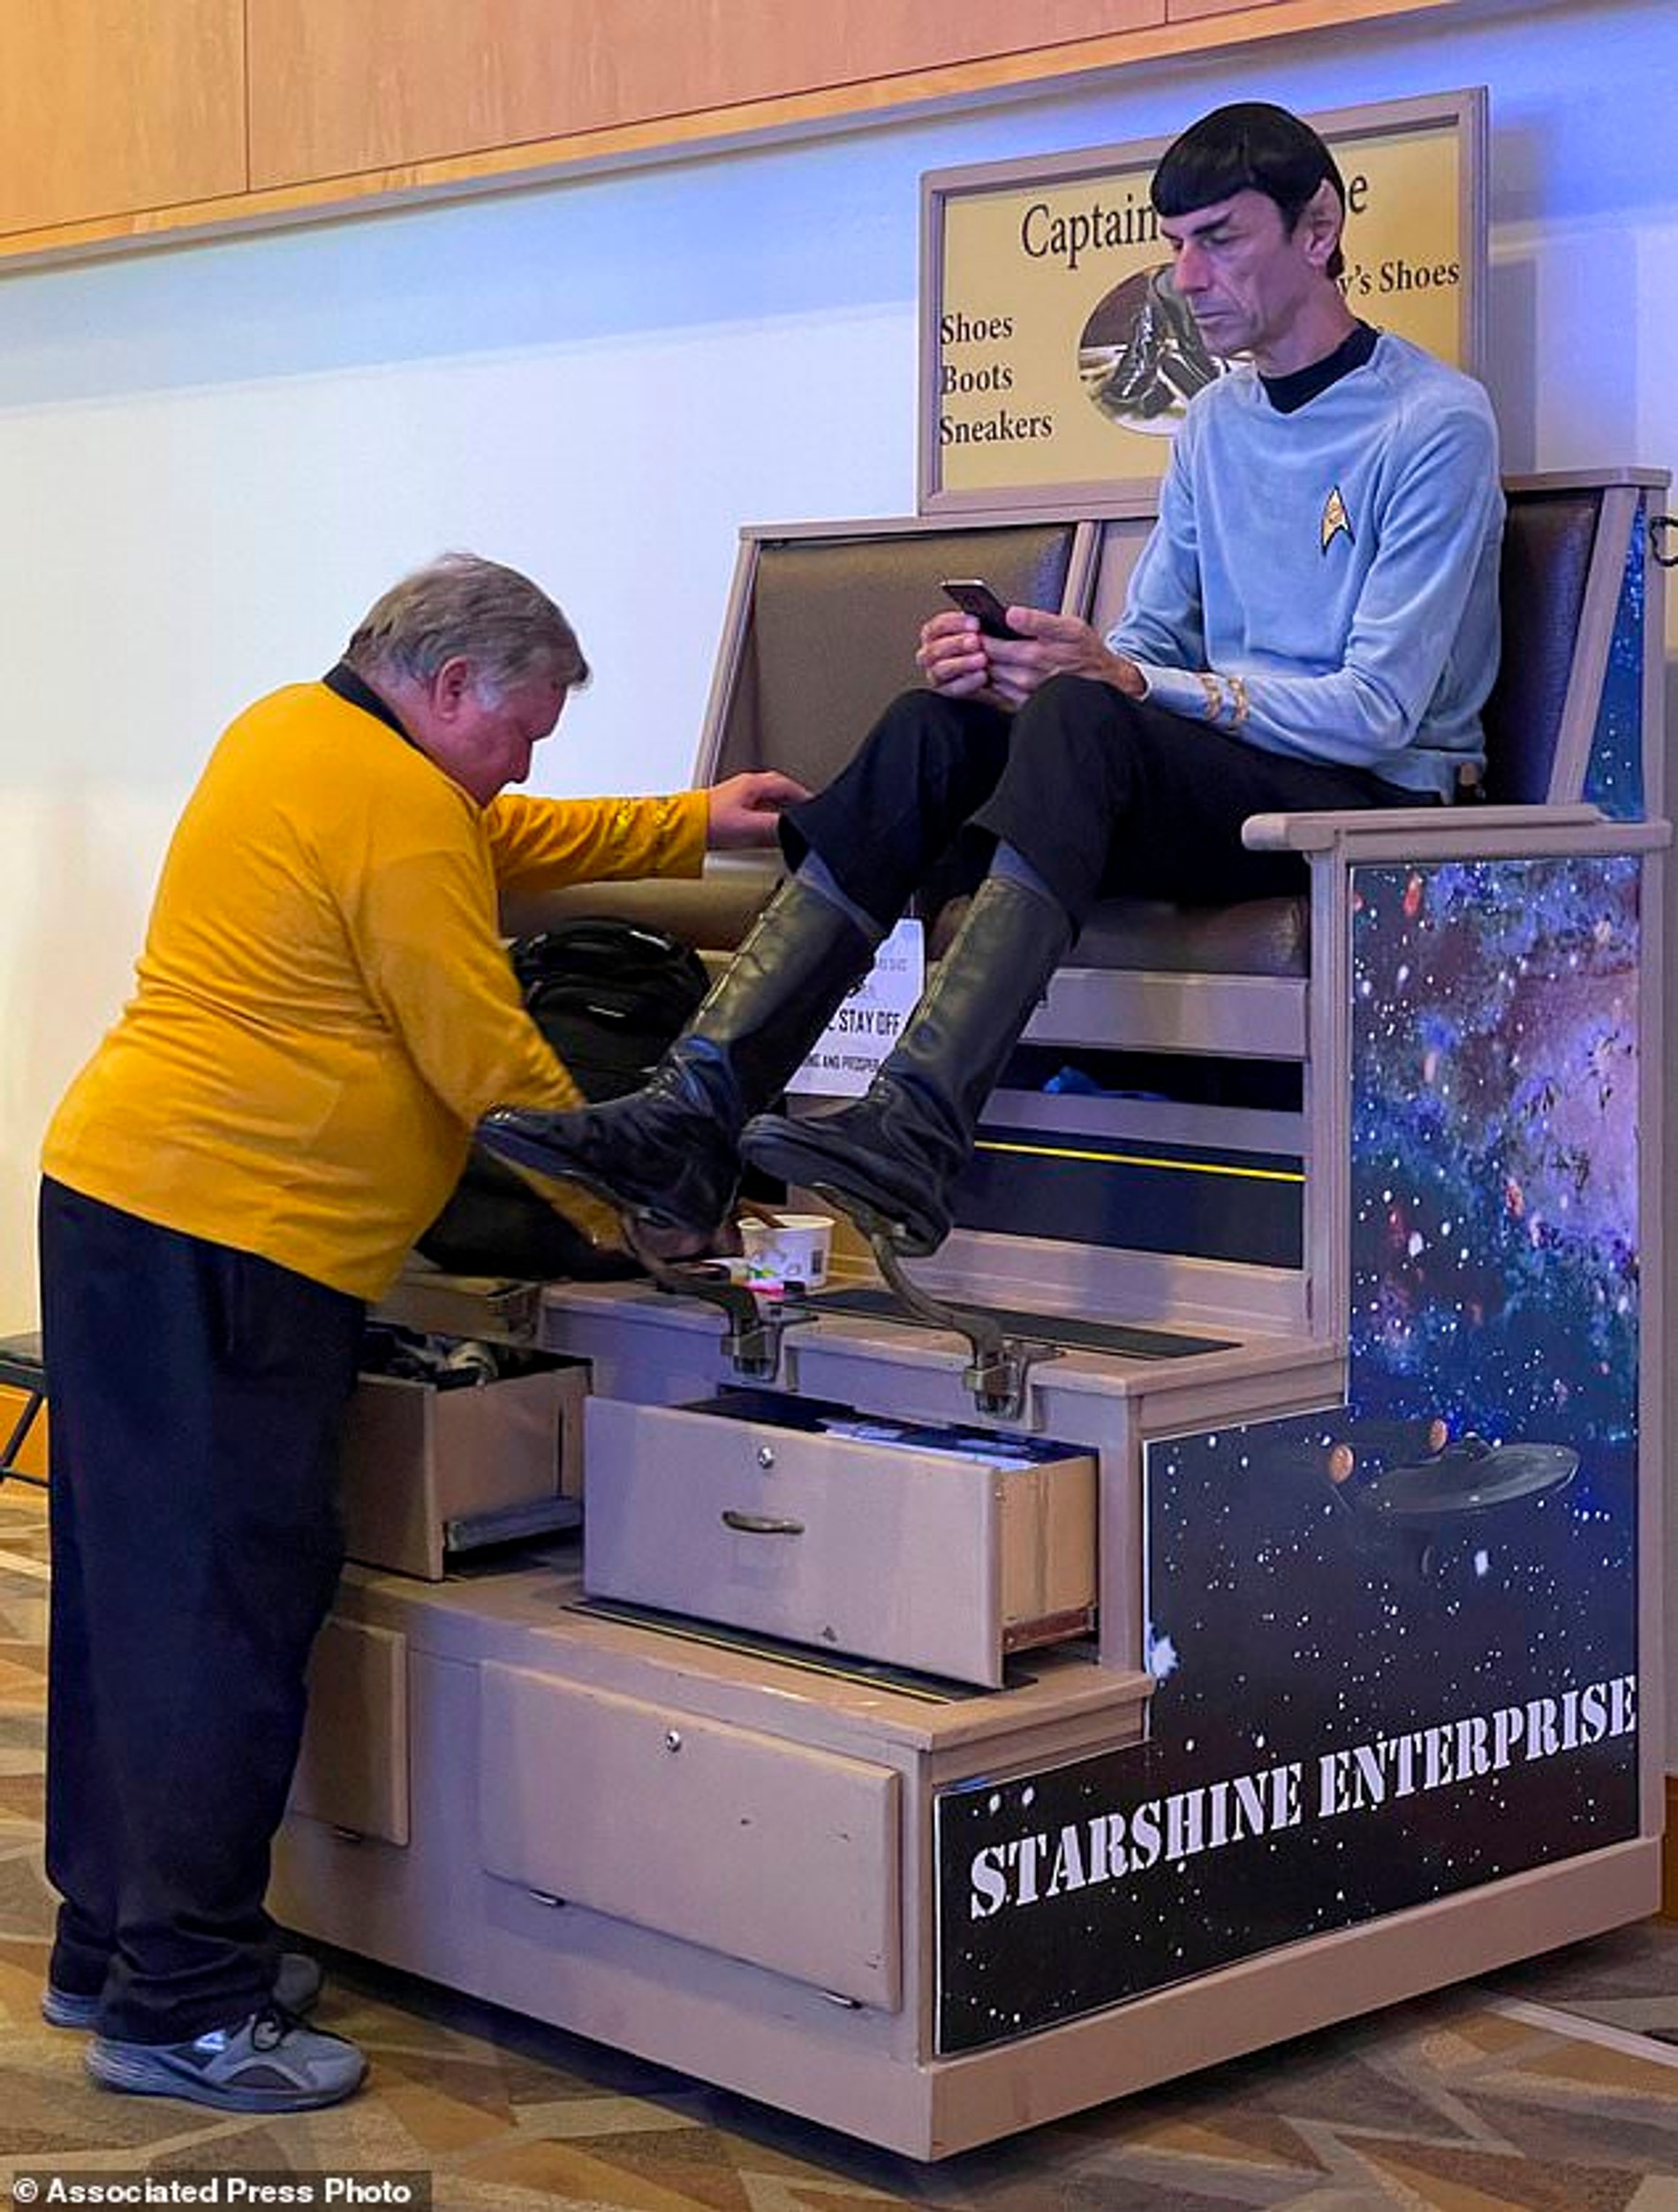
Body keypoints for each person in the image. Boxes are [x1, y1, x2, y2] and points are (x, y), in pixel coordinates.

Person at [476, 99, 1504, 1264]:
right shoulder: (1216, 422)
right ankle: (692, 1110)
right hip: (1233, 781)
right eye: (1175, 245)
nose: (1187, 278)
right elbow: (1149, 642)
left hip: (1363, 801)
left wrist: (1118, 681)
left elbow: (1377, 712)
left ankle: (917, 1121)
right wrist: (1019, 664)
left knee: (1085, 712)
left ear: (1317, 229)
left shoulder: (1433, 422)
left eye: (1220, 239)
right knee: (937, 724)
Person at [36, 554, 803, 2114]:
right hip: (232, 1242)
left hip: (125, 1203)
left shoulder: (303, 732)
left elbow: (499, 838)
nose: (522, 765)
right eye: (519, 729)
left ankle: (113, 1943)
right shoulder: (395, 802)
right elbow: (489, 1057)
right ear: (449, 687)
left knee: (134, 1601)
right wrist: (641, 1215)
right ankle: (184, 2005)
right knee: (222, 1619)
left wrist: (694, 820)